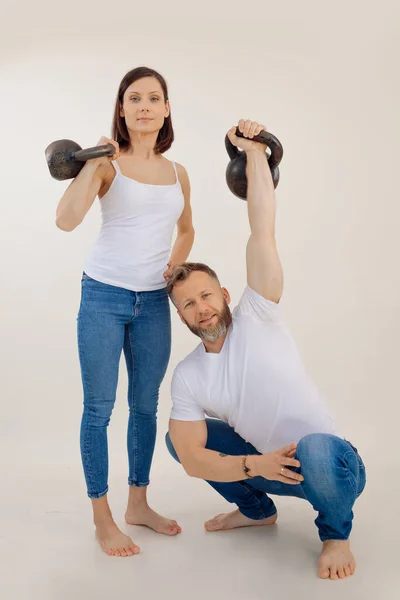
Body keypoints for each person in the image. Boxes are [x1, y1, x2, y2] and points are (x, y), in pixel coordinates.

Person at [165, 119, 366, 580]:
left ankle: (335, 533)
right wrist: (257, 464)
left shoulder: (258, 313)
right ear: (182, 317)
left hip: (330, 467)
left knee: (315, 449)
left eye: (207, 296)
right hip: (266, 465)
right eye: (189, 304)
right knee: (178, 440)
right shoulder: (190, 374)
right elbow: (194, 459)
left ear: (226, 294)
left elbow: (262, 229)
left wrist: (255, 151)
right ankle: (258, 511)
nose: (202, 309)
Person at [55, 67, 194, 557]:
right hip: (104, 297)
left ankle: (139, 503)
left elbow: (186, 229)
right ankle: (103, 518)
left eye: (154, 97)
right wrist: (93, 163)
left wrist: (174, 266)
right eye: (133, 98)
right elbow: (65, 220)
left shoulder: (178, 174)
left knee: (145, 406)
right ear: (121, 109)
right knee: (98, 410)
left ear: (166, 108)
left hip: (153, 303)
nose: (144, 106)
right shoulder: (108, 164)